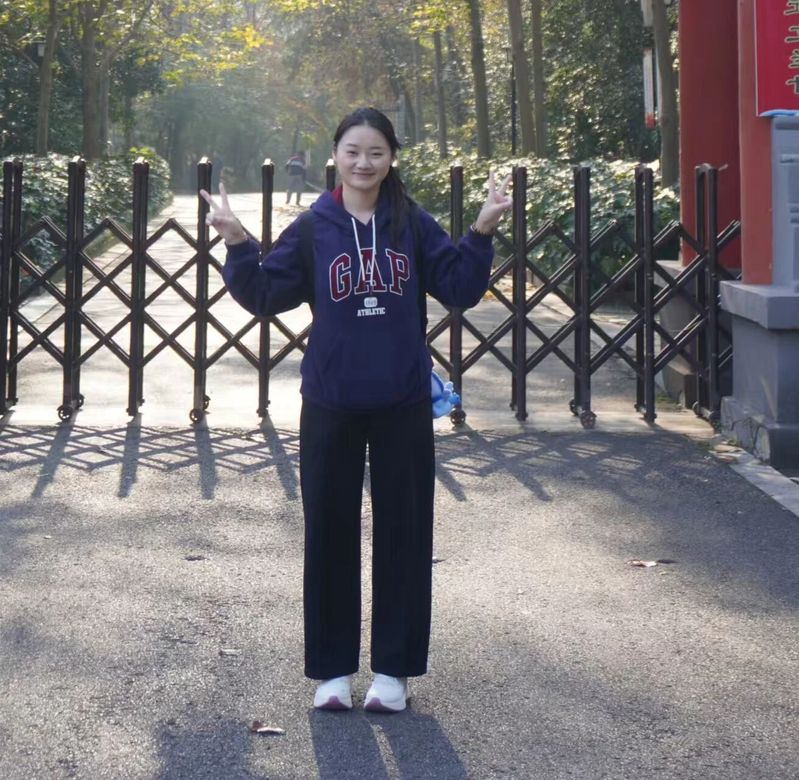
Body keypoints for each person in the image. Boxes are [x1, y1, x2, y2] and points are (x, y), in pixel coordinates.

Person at [200, 107, 511, 713]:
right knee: (329, 532)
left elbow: (459, 287)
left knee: (404, 533)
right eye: (352, 151)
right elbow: (265, 293)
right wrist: (236, 241)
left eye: (375, 152)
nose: (363, 162)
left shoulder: (412, 223)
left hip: (402, 400)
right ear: (336, 156)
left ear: (391, 158)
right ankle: (332, 672)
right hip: (330, 401)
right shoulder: (314, 227)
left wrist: (481, 229)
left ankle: (393, 672)